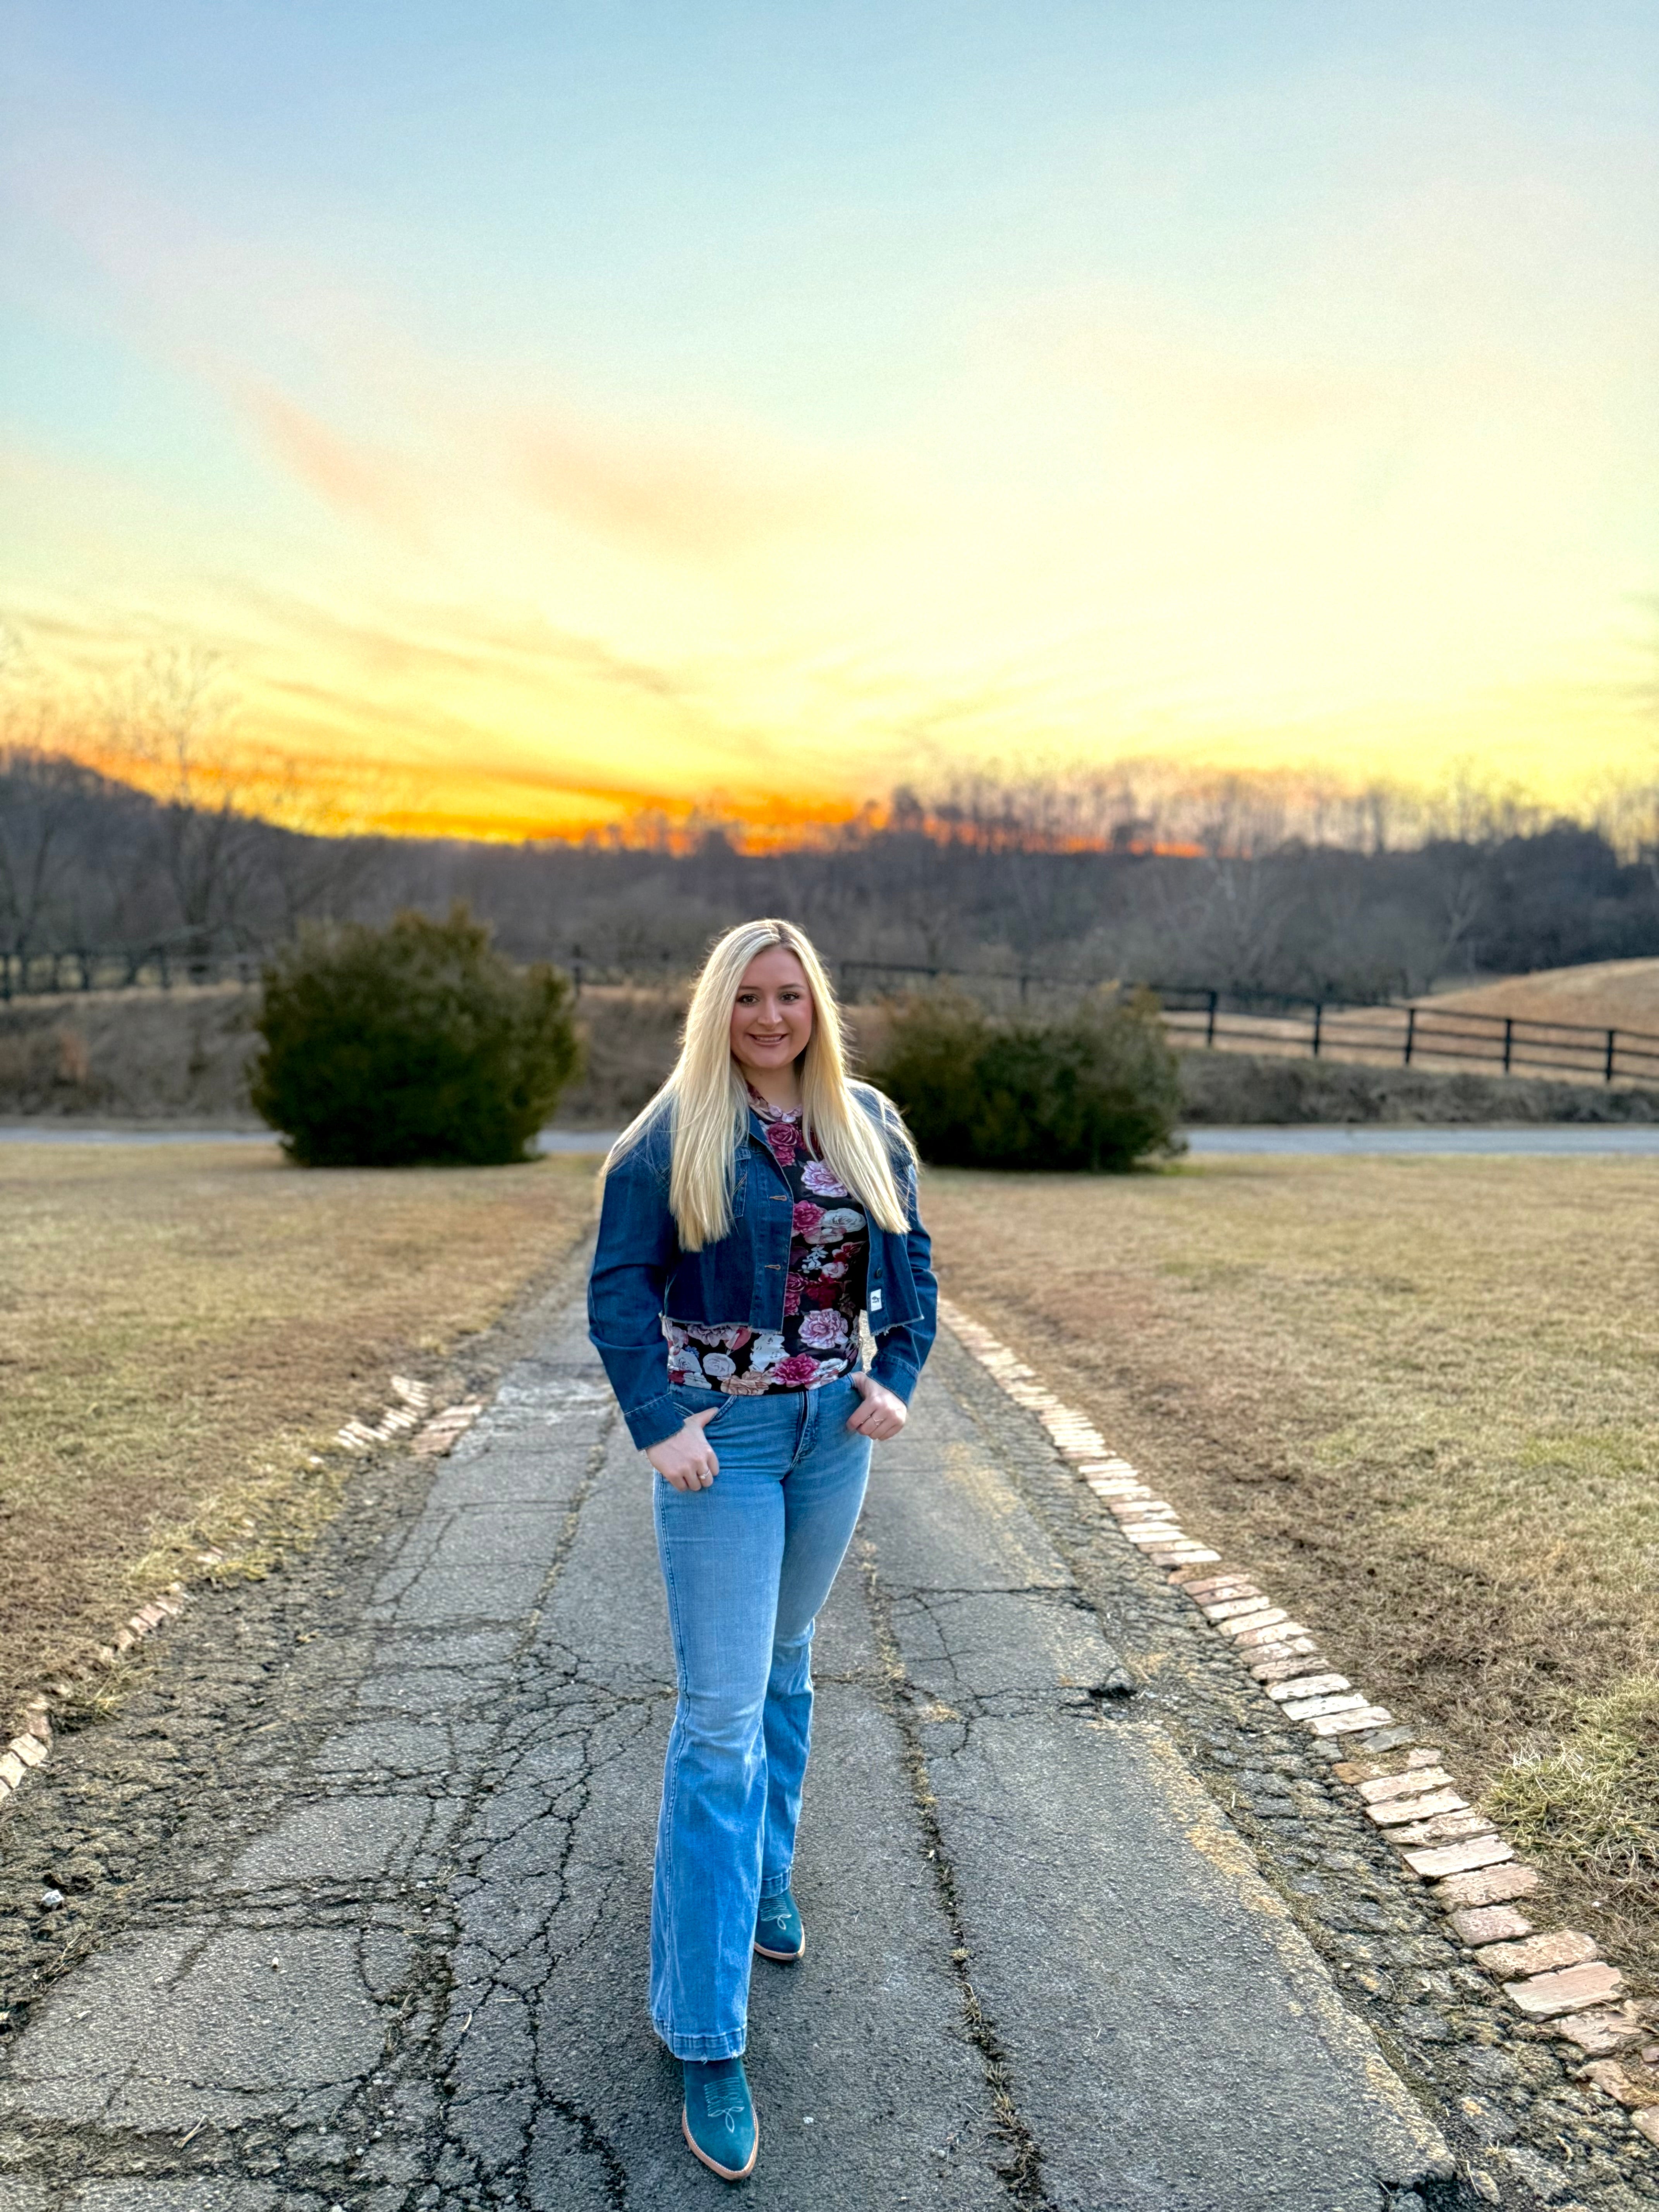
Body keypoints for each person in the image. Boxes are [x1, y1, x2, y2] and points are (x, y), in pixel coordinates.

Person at [587, 917, 937, 2182]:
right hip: (721, 1448)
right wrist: (658, 1422)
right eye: (750, 998)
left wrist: (894, 1374)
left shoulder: (867, 1120)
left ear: (816, 1006)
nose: (773, 1018)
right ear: (716, 1011)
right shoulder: (670, 1132)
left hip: (830, 1439)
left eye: (790, 997)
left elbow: (913, 1265)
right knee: (722, 1719)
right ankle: (704, 2029)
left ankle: (769, 1878)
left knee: (790, 1659)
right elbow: (617, 1288)